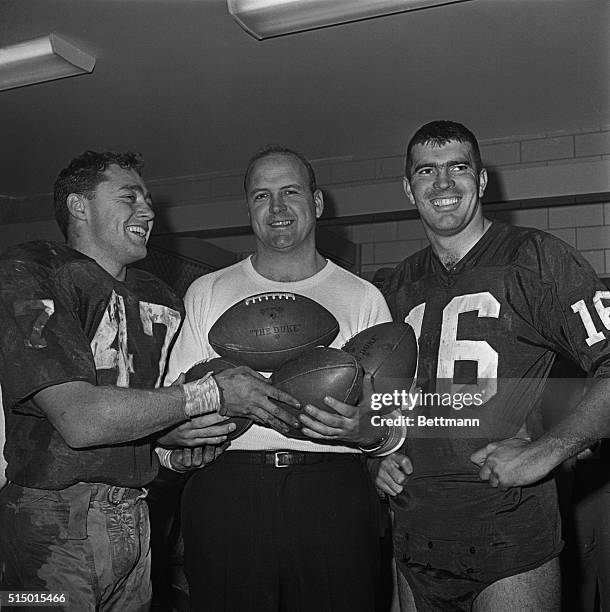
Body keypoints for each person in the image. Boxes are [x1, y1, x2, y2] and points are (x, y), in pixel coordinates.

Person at [0, 150, 297, 611]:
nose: (148, 210)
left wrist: (175, 446)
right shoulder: (31, 272)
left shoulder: (158, 296)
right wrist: (211, 393)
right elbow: (81, 420)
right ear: (80, 206)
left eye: (148, 198)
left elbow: (148, 409)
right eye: (128, 197)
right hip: (51, 517)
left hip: (135, 514)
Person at [374, 120, 610, 611]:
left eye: (458, 168)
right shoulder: (395, 284)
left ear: (481, 181)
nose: (442, 184)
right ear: (407, 187)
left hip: (509, 538)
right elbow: (383, 399)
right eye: (426, 171)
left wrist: (547, 451)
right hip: (415, 536)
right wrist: (377, 452)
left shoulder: (536, 259)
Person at [165, 145, 398, 612]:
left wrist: (366, 432)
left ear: (316, 203)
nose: (276, 208)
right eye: (260, 195)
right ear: (248, 209)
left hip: (333, 490)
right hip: (226, 489)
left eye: (290, 192)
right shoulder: (208, 291)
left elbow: (395, 419)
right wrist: (181, 449)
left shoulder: (362, 296)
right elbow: (173, 404)